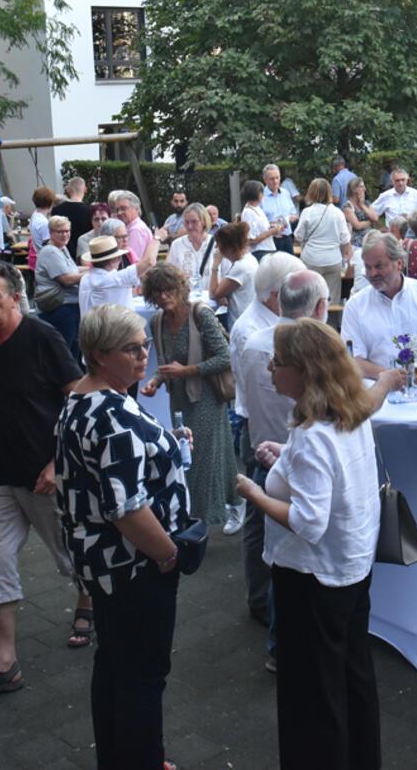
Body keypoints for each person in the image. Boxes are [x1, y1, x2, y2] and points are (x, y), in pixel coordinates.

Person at [234, 320, 402, 769]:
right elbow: (322, 473)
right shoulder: (350, 414)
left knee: (312, 696)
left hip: (312, 579)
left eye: (278, 362)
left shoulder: (312, 436)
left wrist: (256, 494)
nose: (270, 370)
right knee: (353, 676)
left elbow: (308, 522)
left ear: (304, 370)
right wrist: (284, 455)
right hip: (352, 568)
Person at [54, 304, 191, 770]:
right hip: (134, 565)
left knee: (115, 665)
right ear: (98, 354)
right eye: (131, 349)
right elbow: (127, 508)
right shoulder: (111, 413)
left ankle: (119, 758)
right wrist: (169, 555)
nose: (143, 356)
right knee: (144, 674)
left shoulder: (83, 397)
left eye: (144, 345)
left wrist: (168, 445)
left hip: (103, 565)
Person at [0, 262, 90, 704]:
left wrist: (58, 462)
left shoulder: (42, 338)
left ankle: (89, 601)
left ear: (16, 297)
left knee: (72, 556)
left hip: (43, 476)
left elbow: (78, 398)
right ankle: (4, 663)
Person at [238, 270, 330, 639]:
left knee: (258, 531)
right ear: (320, 308)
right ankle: (283, 637)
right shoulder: (317, 349)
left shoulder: (253, 341)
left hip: (260, 445)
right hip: (290, 457)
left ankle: (260, 602)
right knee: (296, 551)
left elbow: (243, 398)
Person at [141, 264, 238, 529]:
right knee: (189, 459)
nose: (163, 296)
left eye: (169, 289)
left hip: (206, 397)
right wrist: (156, 380)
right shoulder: (157, 321)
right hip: (179, 400)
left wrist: (187, 371)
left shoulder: (200, 314)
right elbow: (166, 364)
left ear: (180, 288)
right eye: (157, 292)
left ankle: (204, 519)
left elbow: (226, 357)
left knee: (202, 461)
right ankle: (230, 502)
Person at [226, 253, 305, 538]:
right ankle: (259, 570)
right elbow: (267, 395)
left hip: (275, 432)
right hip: (265, 433)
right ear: (276, 294)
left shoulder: (270, 322)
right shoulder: (252, 331)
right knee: (260, 520)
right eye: (295, 290)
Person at [341, 231, 417, 380]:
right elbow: (353, 360)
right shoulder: (355, 306)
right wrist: (391, 378)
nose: (372, 274)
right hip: (378, 389)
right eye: (368, 267)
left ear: (399, 264)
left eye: (379, 266)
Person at [34, 215, 90, 363]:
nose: (65, 235)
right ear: (51, 232)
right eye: (60, 232)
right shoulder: (51, 251)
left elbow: (73, 269)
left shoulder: (61, 248)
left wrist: (93, 268)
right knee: (65, 354)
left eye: (67, 231)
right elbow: (67, 279)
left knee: (73, 351)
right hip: (60, 308)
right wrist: (91, 273)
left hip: (69, 307)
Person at [294, 177, 351, 304]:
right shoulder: (338, 213)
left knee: (310, 297)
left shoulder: (307, 212)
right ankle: (329, 315)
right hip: (333, 260)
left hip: (311, 259)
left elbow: (298, 236)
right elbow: (345, 239)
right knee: (331, 298)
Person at [79, 234, 158, 313]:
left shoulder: (85, 279)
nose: (120, 260)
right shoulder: (113, 279)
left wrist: (137, 291)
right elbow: (149, 261)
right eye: (119, 257)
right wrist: (157, 238)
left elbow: (117, 291)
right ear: (113, 260)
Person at [208, 221, 258, 326]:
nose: (216, 248)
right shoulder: (250, 259)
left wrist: (215, 265)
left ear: (228, 247)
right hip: (250, 319)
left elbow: (213, 294)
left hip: (241, 322)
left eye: (219, 245)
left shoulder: (240, 267)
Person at [165, 203, 214, 287]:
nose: (190, 226)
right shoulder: (177, 245)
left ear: (204, 221)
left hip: (212, 294)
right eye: (186, 222)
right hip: (185, 294)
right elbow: (168, 274)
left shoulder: (217, 244)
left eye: (194, 222)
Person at [261, 164, 299, 256]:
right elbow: (259, 221)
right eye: (271, 179)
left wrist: (290, 218)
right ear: (265, 180)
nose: (275, 181)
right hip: (270, 240)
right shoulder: (261, 197)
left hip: (287, 238)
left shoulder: (285, 193)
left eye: (277, 178)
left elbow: (294, 213)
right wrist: (273, 225)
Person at [240, 179, 283, 257]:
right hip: (259, 252)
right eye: (261, 192)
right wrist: (271, 232)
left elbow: (260, 229)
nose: (263, 195)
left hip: (267, 249)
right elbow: (251, 240)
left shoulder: (257, 208)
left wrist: (272, 226)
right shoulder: (248, 212)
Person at [110, 190, 154, 263]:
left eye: (123, 208)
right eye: (117, 209)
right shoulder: (131, 227)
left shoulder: (136, 230)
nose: (119, 213)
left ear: (136, 209)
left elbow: (131, 261)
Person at [52, 176, 93, 246]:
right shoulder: (91, 211)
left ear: (68, 190)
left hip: (63, 249)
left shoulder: (57, 210)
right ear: (85, 189)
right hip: (86, 249)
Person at [342, 177, 376, 252]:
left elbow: (375, 218)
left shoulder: (366, 203)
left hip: (371, 237)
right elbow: (357, 226)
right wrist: (370, 222)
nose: (364, 189)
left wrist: (362, 205)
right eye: (361, 186)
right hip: (358, 241)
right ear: (354, 189)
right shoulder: (348, 207)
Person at [27, 186, 56, 271]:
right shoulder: (44, 223)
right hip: (45, 263)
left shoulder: (35, 215)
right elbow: (49, 246)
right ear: (51, 203)